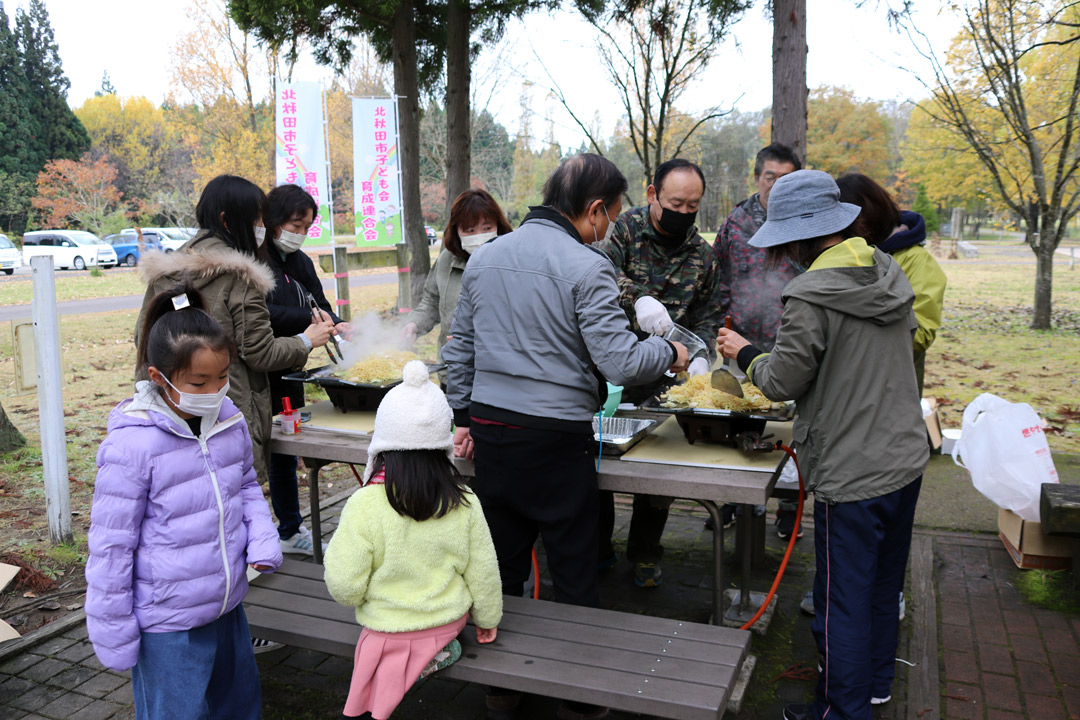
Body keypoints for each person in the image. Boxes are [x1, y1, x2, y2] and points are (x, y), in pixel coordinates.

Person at [443, 153, 689, 720]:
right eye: (612, 216)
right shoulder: (587, 266)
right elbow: (622, 361)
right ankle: (578, 698)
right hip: (557, 438)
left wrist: (463, 416)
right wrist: (672, 352)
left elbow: (460, 349)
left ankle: (500, 687)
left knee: (500, 562)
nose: (609, 229)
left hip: (493, 430)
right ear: (595, 210)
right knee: (573, 566)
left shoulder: (488, 259)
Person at [716, 170, 929, 720]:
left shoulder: (810, 293)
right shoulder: (885, 268)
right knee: (883, 587)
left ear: (804, 237)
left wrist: (744, 352)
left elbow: (782, 383)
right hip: (905, 459)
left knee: (842, 603)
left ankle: (841, 710)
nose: (784, 254)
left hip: (852, 472)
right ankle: (875, 685)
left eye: (786, 242)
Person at [86, 283, 283, 720]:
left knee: (239, 707)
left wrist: (264, 536)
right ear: (158, 378)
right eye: (199, 382)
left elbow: (245, 483)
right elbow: (110, 548)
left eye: (222, 377)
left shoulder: (227, 419)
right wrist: (113, 630)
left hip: (225, 604)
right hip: (168, 622)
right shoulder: (132, 445)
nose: (214, 391)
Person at [324, 360, 502, 720]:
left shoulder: (365, 504)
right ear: (443, 446)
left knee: (381, 644)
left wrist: (362, 596)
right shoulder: (465, 501)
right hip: (447, 619)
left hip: (387, 625)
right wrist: (487, 617)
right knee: (432, 630)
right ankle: (436, 650)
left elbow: (344, 586)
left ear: (383, 445)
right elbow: (483, 570)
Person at [138, 175, 335, 485]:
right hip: (229, 409)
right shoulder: (241, 277)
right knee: (234, 495)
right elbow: (261, 353)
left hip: (170, 406)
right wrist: (304, 341)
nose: (262, 227)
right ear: (226, 220)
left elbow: (143, 338)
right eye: (258, 219)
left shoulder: (167, 271)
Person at [596, 157, 723, 588]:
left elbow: (709, 312)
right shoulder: (624, 230)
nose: (684, 213)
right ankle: (597, 549)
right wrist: (637, 300)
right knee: (600, 465)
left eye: (693, 207)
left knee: (658, 472)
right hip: (610, 368)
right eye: (675, 203)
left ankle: (646, 554)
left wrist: (702, 355)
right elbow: (597, 271)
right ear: (652, 195)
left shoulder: (703, 255)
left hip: (668, 377)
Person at [713, 142, 803, 538]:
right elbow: (718, 278)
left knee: (793, 431)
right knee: (741, 421)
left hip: (792, 342)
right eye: (771, 177)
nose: (777, 186)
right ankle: (732, 500)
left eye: (786, 179)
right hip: (741, 342)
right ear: (757, 178)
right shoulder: (735, 223)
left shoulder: (806, 223)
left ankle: (788, 509)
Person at [262, 184, 351, 556]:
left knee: (287, 448)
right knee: (262, 452)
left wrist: (338, 322)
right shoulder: (255, 260)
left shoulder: (301, 262)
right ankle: (267, 532)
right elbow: (263, 314)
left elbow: (321, 304)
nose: (299, 234)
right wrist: (309, 320)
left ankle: (289, 529)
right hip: (260, 366)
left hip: (291, 366)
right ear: (272, 219)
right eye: (294, 224)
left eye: (306, 227)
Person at [836, 173, 946, 396]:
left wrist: (855, 323)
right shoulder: (847, 253)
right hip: (846, 390)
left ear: (865, 217)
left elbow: (921, 333)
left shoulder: (916, 260)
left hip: (892, 394)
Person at [401, 188, 513, 363]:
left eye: (487, 228)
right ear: (457, 231)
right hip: (453, 367)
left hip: (499, 369)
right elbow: (432, 300)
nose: (479, 236)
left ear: (499, 226)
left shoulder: (513, 261)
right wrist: (414, 324)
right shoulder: (446, 260)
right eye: (469, 230)